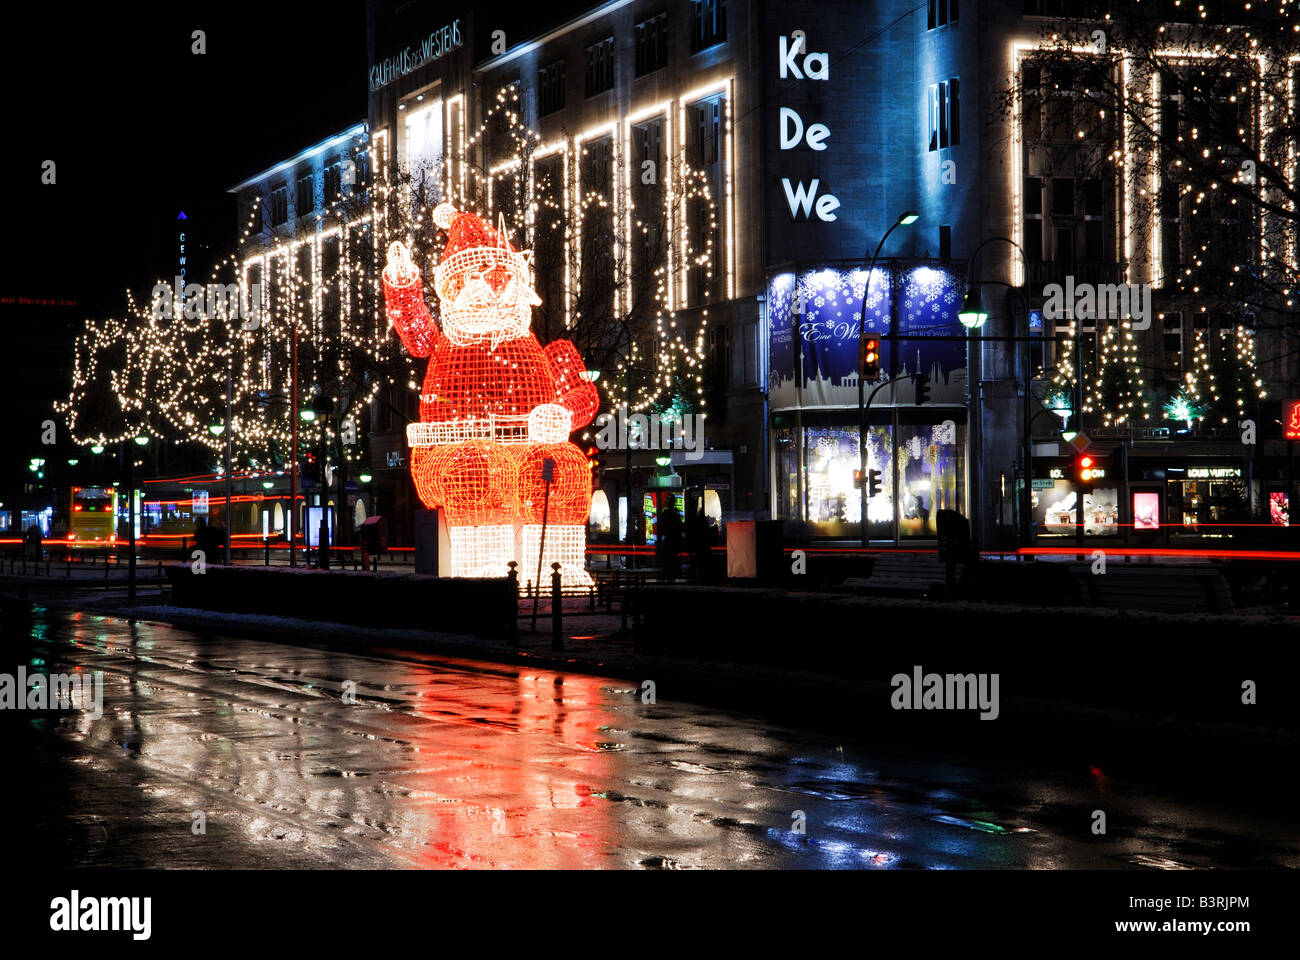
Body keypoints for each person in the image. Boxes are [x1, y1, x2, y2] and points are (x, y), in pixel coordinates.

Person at [656, 502, 684, 581]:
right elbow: (680, 527)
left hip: (669, 540)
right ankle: (672, 575)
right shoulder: (676, 514)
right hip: (674, 541)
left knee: (668, 559)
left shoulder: (666, 514)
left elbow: (662, 527)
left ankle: (668, 574)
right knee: (673, 558)